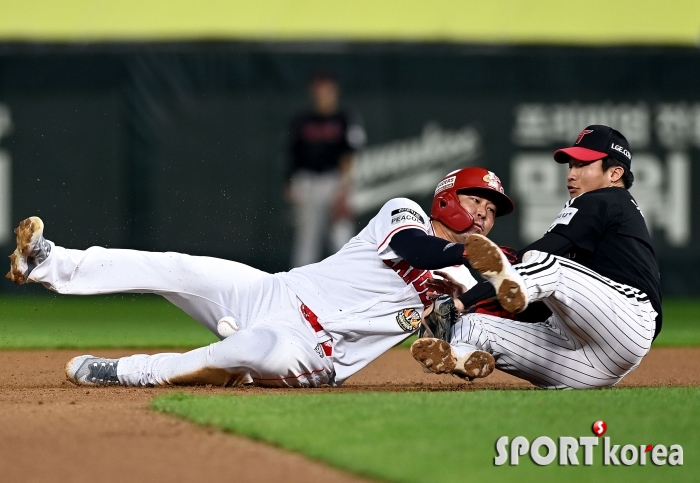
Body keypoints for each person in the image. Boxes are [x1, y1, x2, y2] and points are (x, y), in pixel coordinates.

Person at [6, 167, 514, 388]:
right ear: (449, 196)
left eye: (492, 210)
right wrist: (467, 257)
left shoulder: (466, 276)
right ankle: (49, 261)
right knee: (176, 267)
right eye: (477, 200)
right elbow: (412, 248)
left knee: (243, 350)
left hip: (313, 352)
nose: (485, 214)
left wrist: (456, 345)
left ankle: (121, 372)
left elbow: (450, 330)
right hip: (276, 290)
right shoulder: (407, 215)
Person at [411, 125, 662, 390]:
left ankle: (472, 308)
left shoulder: (608, 199)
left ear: (615, 173)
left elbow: (539, 257)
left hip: (628, 317)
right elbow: (541, 304)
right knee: (476, 325)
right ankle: (459, 356)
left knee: (541, 261)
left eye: (582, 165)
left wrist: (462, 302)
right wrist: (469, 310)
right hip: (591, 364)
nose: (571, 175)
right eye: (570, 166)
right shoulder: (601, 210)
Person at [285, 71, 366, 268]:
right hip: (307, 183)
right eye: (319, 89)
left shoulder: (345, 118)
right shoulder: (302, 120)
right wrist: (290, 184)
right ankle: (299, 290)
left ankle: (349, 283)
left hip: (334, 181)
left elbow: (350, 154)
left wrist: (344, 188)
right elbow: (292, 155)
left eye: (326, 89)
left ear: (334, 91)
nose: (322, 93)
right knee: (306, 241)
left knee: (341, 239)